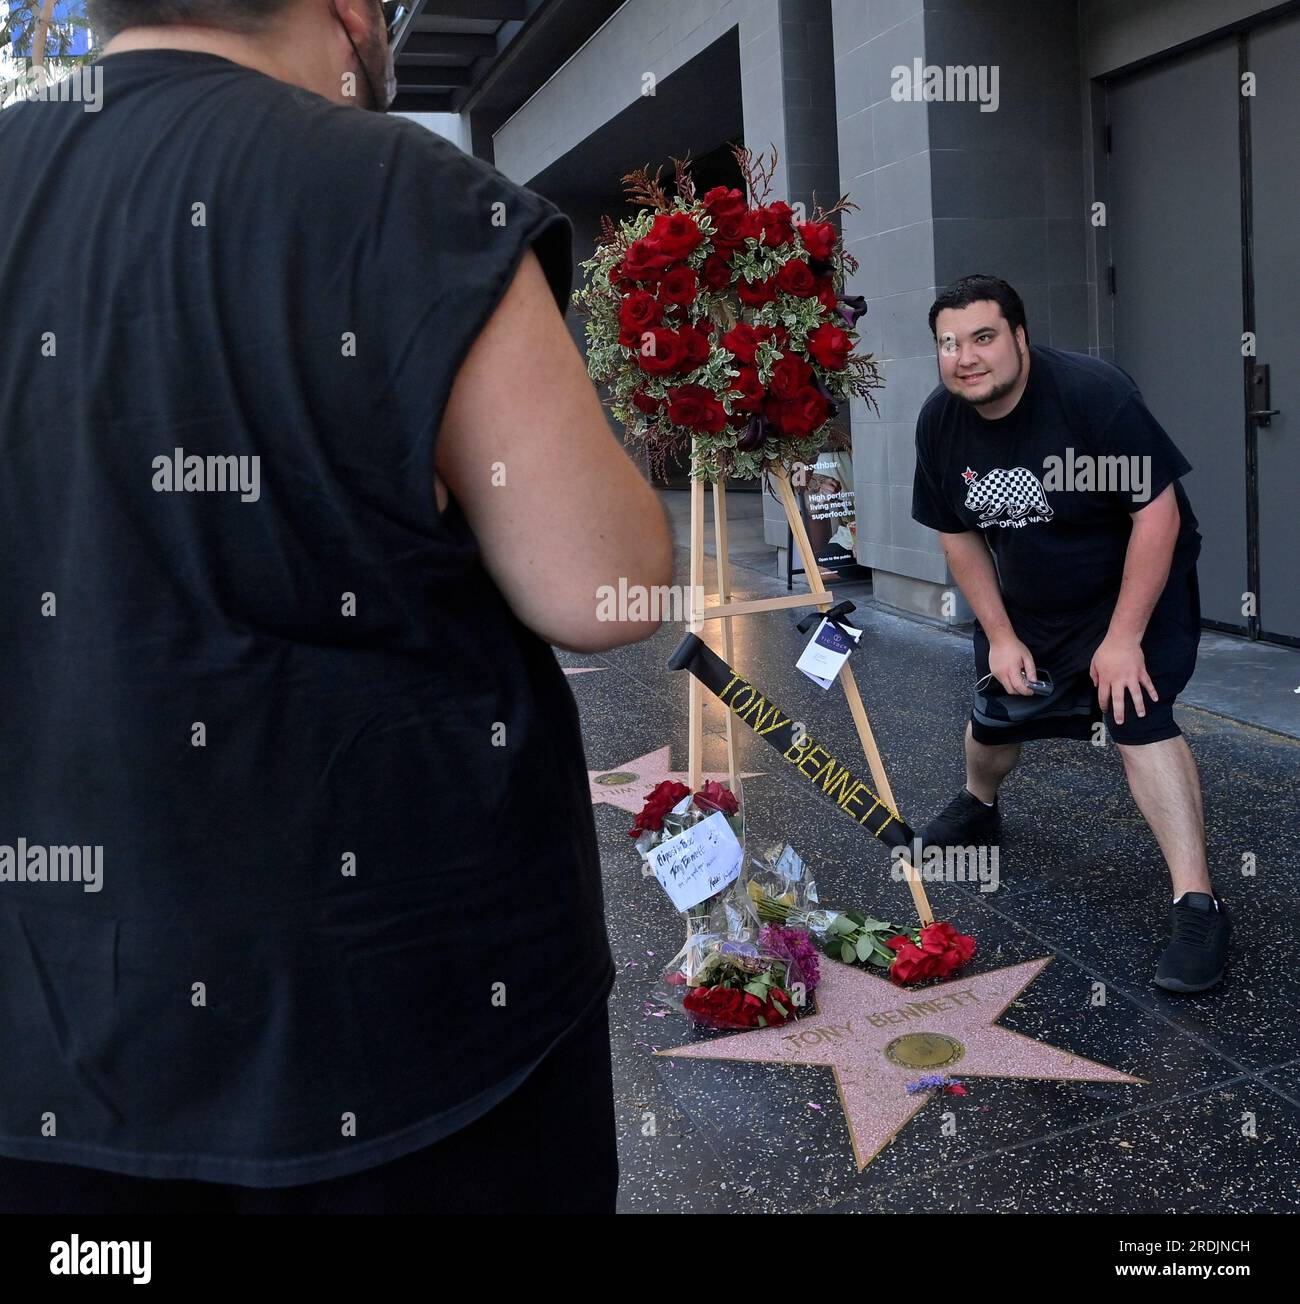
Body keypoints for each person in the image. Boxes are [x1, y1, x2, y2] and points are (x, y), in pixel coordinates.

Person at [0, 0, 672, 1214]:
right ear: (350, 15)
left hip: (51, 1050)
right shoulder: (404, 191)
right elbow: (601, 588)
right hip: (409, 1050)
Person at [910, 274, 1230, 994]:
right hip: (1033, 596)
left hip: (1133, 583)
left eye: (983, 337)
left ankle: (1199, 904)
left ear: (1020, 338)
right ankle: (978, 807)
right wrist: (998, 634)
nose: (966, 357)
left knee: (1137, 717)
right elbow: (957, 536)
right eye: (949, 344)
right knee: (993, 721)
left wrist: (1120, 640)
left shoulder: (1091, 394)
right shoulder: (940, 423)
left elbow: (1158, 514)